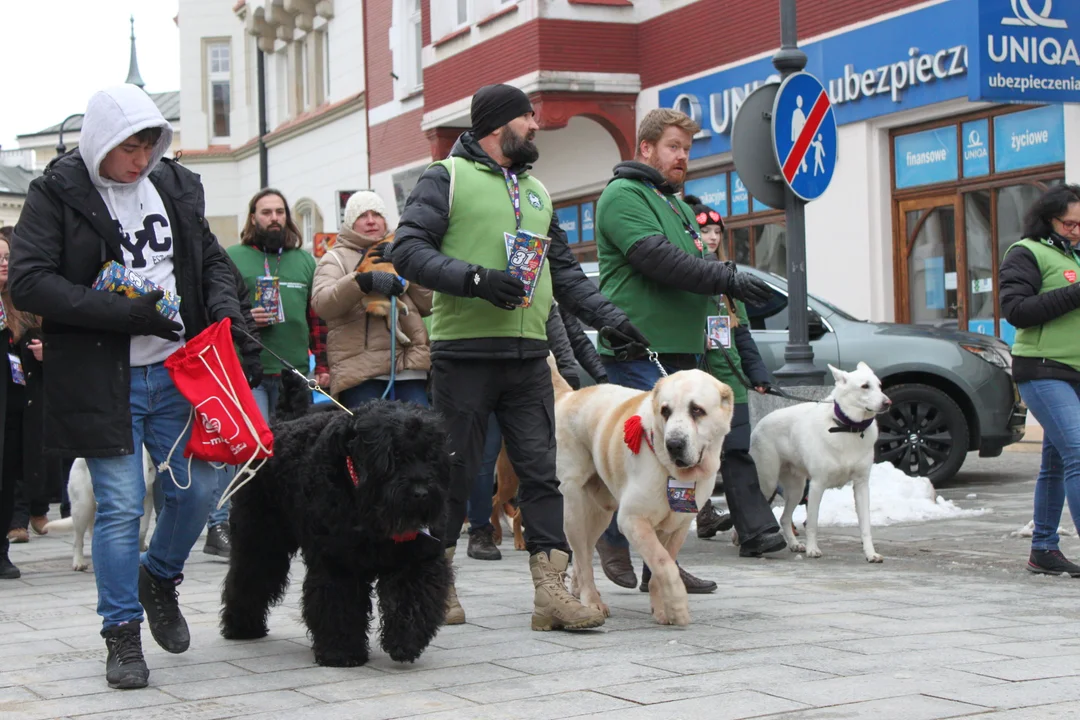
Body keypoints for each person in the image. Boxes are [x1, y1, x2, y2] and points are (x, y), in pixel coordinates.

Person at [10, 84, 262, 690]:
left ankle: (160, 576)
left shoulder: (174, 186)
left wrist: (230, 320)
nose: (140, 158)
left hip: (180, 370)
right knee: (121, 505)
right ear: (100, 142)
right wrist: (122, 314)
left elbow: (211, 264)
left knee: (200, 488)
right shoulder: (57, 194)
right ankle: (121, 633)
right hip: (105, 377)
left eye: (150, 145)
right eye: (129, 146)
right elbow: (29, 282)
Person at [391, 83, 648, 631]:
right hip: (463, 355)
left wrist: (613, 320)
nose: (535, 125)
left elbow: (566, 273)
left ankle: (549, 594)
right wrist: (477, 280)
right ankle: (438, 585)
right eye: (527, 117)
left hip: (531, 357)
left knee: (542, 475)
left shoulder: (537, 191)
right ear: (497, 125)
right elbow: (407, 251)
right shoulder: (446, 179)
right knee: (454, 474)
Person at [592, 109, 785, 591]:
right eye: (673, 146)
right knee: (641, 457)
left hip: (683, 357)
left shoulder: (676, 204)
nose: (682, 157)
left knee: (685, 462)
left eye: (686, 149)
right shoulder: (623, 195)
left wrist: (729, 294)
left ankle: (664, 564)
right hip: (637, 350)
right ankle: (614, 539)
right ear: (646, 148)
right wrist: (727, 274)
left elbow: (699, 269)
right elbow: (660, 260)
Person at [684, 195, 786, 557]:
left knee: (738, 456)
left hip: (731, 389)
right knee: (687, 463)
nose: (711, 237)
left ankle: (756, 532)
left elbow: (742, 334)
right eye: (703, 230)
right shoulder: (681, 277)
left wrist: (756, 374)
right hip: (695, 393)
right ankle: (669, 534)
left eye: (716, 231)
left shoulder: (730, 280)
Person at [466, 301, 605, 562]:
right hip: (483, 374)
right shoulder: (484, 287)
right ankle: (479, 530)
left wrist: (571, 374)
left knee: (537, 462)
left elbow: (560, 330)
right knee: (484, 461)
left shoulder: (543, 290)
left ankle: (545, 542)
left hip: (526, 384)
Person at [999, 183, 1080, 578]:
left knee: (1056, 462)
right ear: (1048, 220)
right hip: (1044, 369)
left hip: (1077, 372)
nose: (1077, 231)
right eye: (1070, 224)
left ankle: (1044, 548)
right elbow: (1017, 310)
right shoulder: (1026, 253)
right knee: (1079, 454)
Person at [312, 190, 432, 407]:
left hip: (409, 368)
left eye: (376, 214)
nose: (370, 221)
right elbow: (323, 304)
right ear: (349, 222)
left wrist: (406, 263)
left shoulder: (401, 250)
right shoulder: (335, 258)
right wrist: (362, 283)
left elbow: (430, 303)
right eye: (361, 216)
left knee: (419, 437)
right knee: (370, 439)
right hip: (361, 373)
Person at [227, 189, 328, 421]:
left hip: (295, 373)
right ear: (253, 218)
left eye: (280, 212)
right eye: (266, 212)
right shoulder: (232, 257)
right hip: (250, 372)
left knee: (296, 446)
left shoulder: (304, 260)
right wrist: (245, 319)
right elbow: (218, 311)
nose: (274, 217)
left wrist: (323, 366)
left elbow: (317, 319)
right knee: (259, 446)